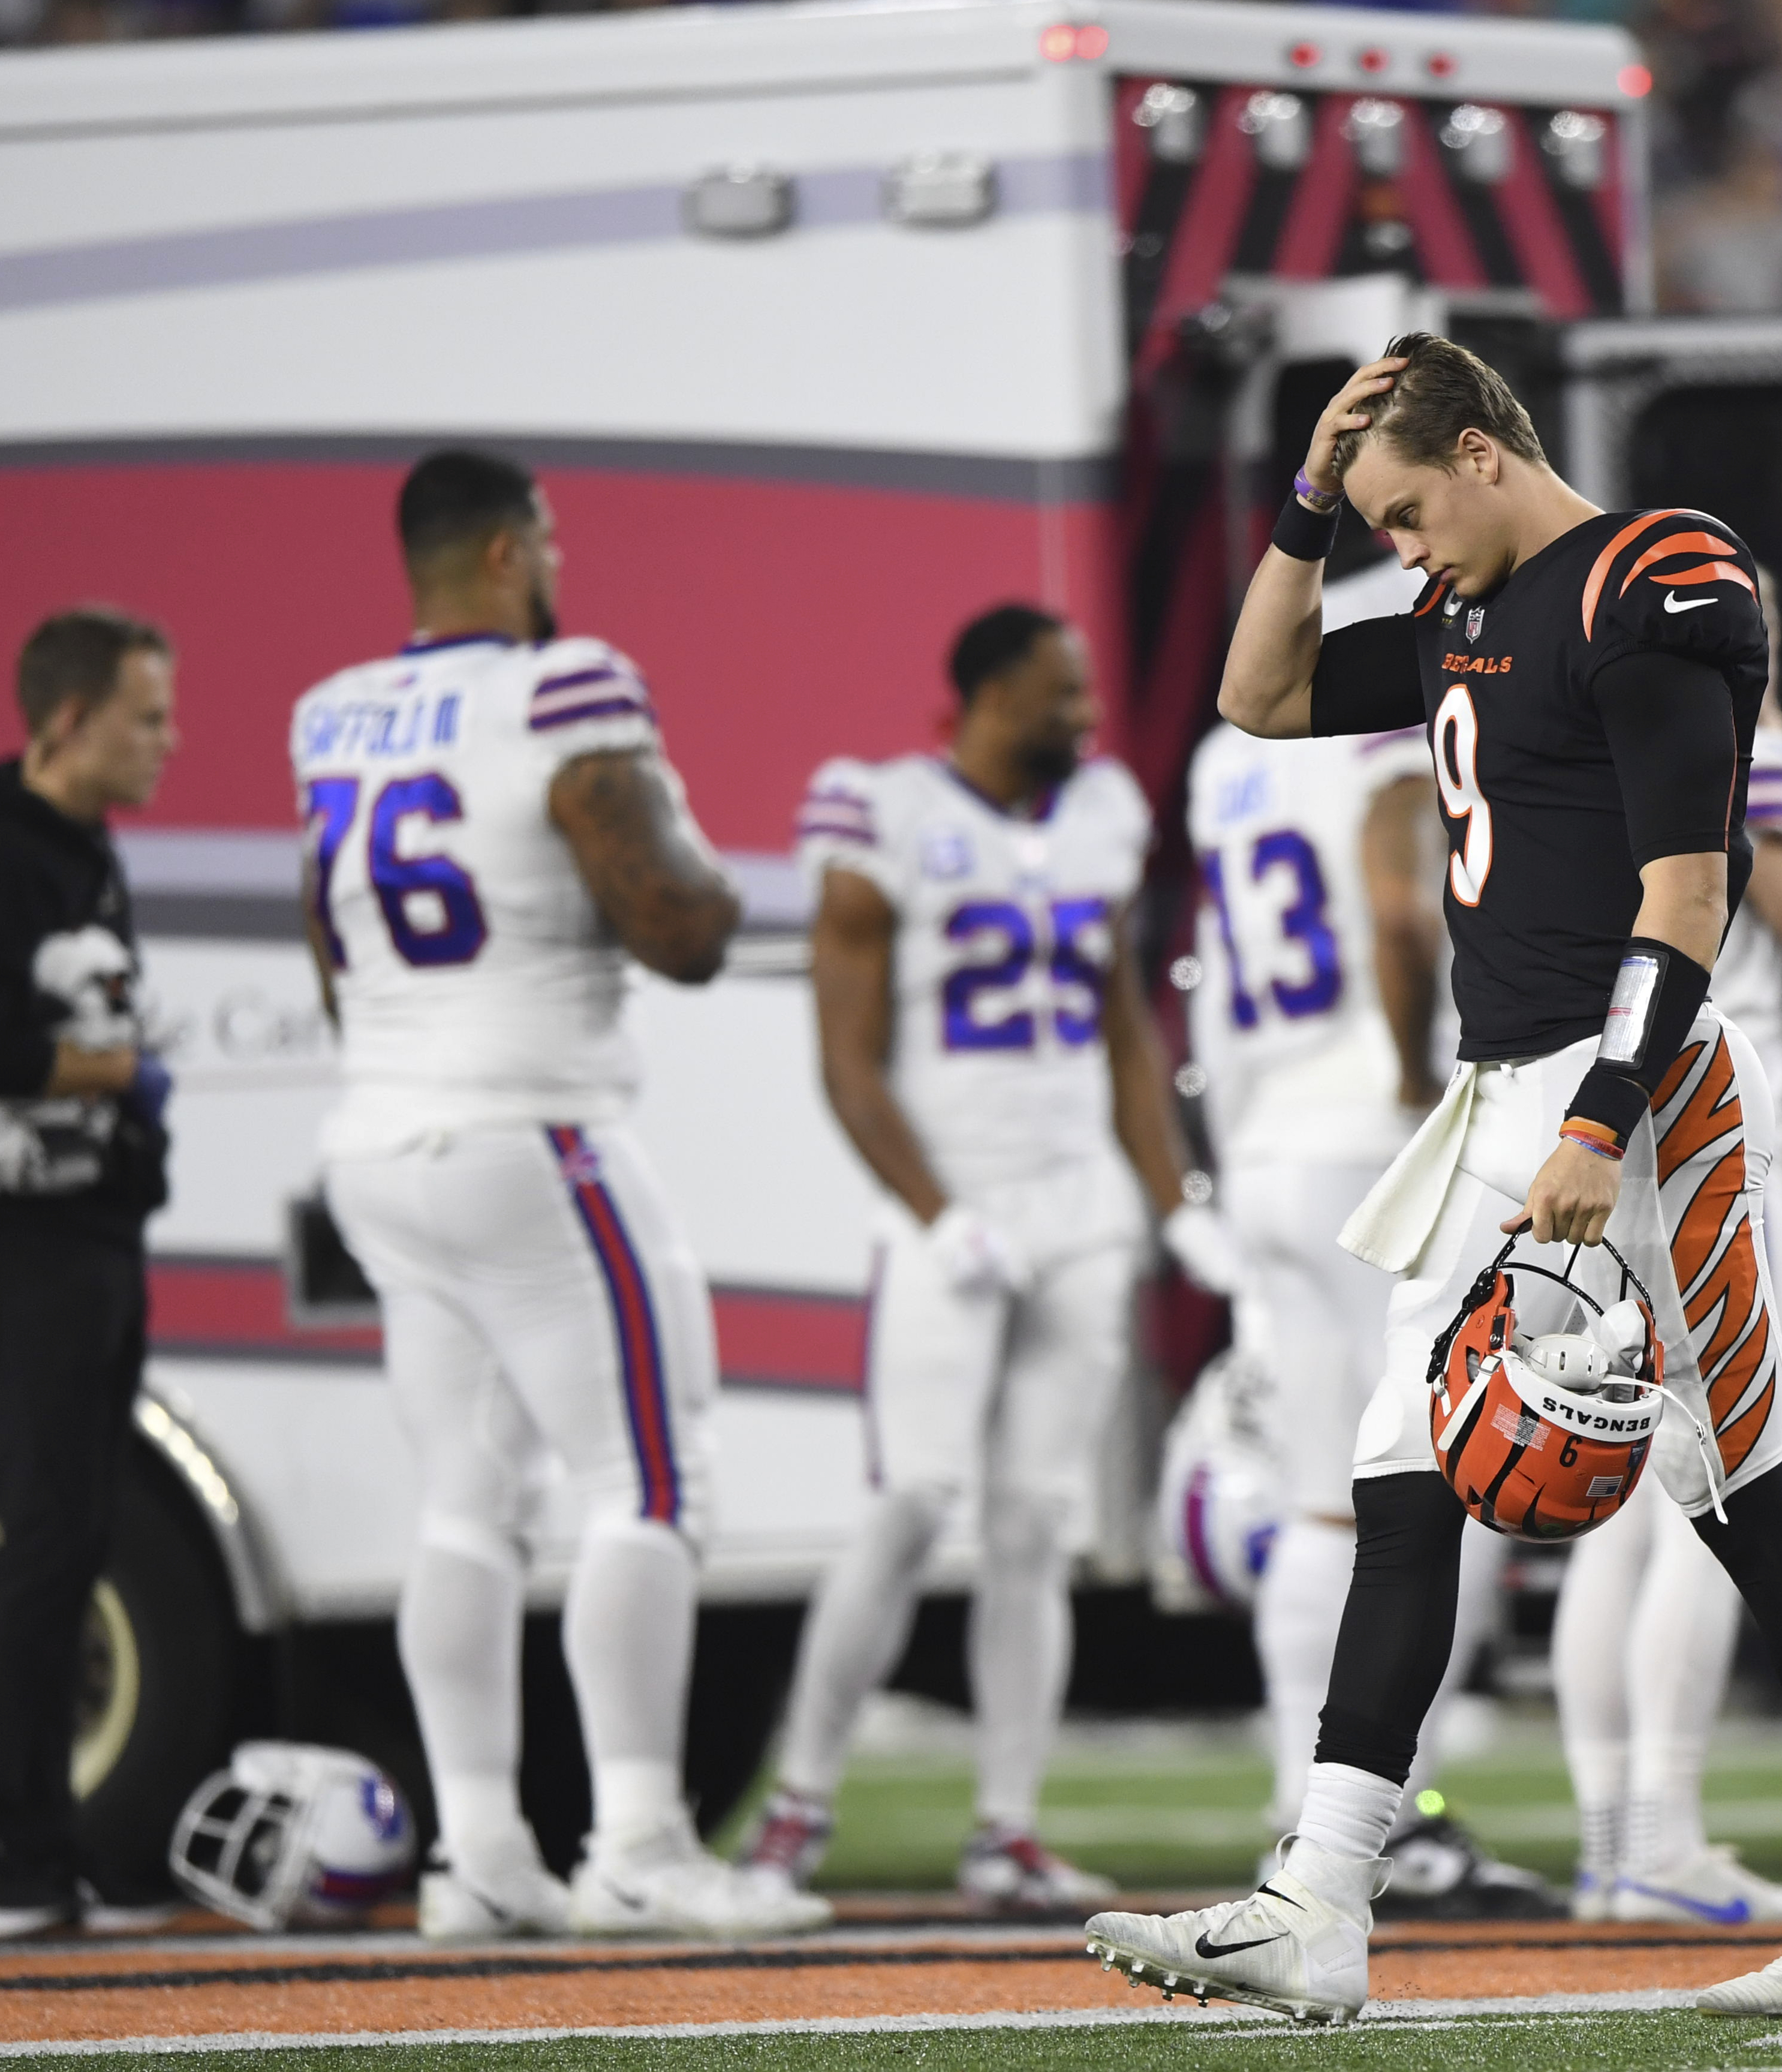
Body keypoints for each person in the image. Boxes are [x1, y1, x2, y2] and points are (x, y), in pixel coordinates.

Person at [1083, 335, 1782, 2022]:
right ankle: (1323, 1895)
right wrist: (1304, 505)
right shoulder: (1459, 612)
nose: (1398, 548)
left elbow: (1689, 896)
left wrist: (1601, 1114)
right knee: (1406, 1478)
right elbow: (1254, 694)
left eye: (1406, 512)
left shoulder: (1654, 576)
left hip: (1629, 1096)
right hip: (1503, 1095)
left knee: (1743, 1493)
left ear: (1486, 453)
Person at [295, 449, 823, 1942]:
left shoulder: (330, 714)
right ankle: (642, 1836)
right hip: (533, 1129)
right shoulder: (563, 688)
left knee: (466, 1499)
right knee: (649, 1481)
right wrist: (695, 853)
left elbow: (326, 937)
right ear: (514, 553)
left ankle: (476, 1855)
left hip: (383, 1131)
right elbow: (678, 926)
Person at [743, 605, 1227, 1911]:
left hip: (1078, 1205)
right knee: (909, 1504)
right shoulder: (881, 812)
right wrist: (932, 1207)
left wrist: (1172, 1194)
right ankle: (793, 1812)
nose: (1083, 719)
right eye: (1060, 695)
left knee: (1033, 1524)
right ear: (987, 695)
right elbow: (844, 1057)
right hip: (947, 1204)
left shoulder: (1103, 813)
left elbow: (1123, 1025)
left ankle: (1005, 1824)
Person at [1184, 692, 1552, 1917]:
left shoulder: (1224, 752)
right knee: (1432, 1481)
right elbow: (1398, 909)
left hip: (1270, 1137)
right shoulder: (1387, 706)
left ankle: (1309, 1820)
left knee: (1318, 1501)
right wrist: (1413, 1086)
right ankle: (1395, 1824)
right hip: (1365, 1135)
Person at [1554, 681, 1782, 1927]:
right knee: (1723, 1480)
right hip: (1708, 1137)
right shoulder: (1730, 724)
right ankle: (1660, 1839)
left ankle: (1611, 1843)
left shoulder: (1569, 715)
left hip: (1590, 1121)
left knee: (1625, 1512)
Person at [0, 608, 180, 1938]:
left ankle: (42, 1852)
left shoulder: (80, 849)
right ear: (71, 719)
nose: (167, 741)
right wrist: (115, 1070)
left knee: (84, 1534)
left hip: (96, 1225)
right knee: (46, 1534)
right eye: (148, 715)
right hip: (26, 1239)